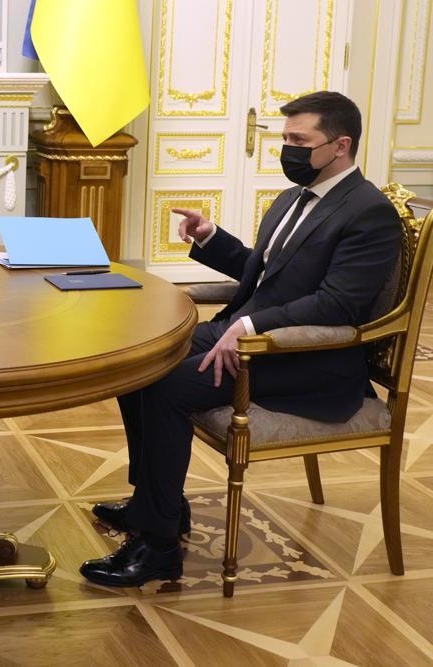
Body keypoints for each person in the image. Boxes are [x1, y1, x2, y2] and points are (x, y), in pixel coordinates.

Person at [79, 91, 401, 587]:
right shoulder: (294, 197)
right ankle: (159, 504)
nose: (288, 149)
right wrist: (210, 237)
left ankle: (158, 546)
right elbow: (268, 273)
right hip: (249, 335)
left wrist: (251, 328)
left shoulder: (368, 213)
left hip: (308, 359)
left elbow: (338, 305)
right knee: (138, 362)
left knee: (167, 387)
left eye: (300, 141)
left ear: (341, 145)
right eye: (286, 138)